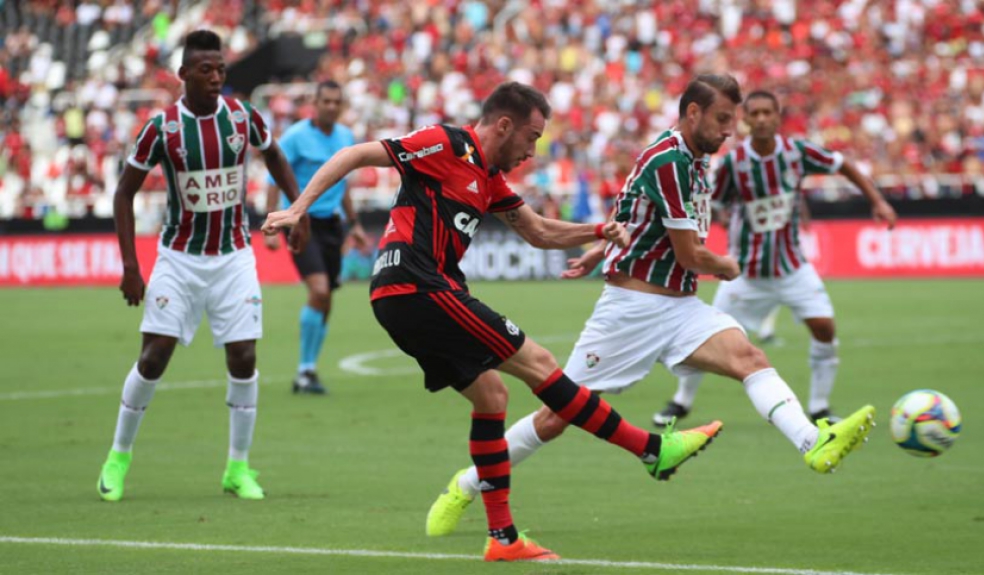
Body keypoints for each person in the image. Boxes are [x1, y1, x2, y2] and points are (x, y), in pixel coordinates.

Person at [263, 81, 723, 562]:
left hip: (415, 294)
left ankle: (503, 540)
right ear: (504, 125)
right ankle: (650, 450)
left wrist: (595, 230)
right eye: (532, 136)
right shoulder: (445, 144)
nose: (533, 149)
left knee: (492, 395)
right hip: (416, 286)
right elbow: (356, 155)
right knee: (540, 362)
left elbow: (540, 232)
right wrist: (298, 209)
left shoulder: (489, 178)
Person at [424, 75, 879, 540]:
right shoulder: (669, 160)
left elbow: (631, 211)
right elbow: (688, 254)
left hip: (680, 306)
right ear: (694, 113)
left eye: (733, 121)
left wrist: (602, 249)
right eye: (723, 119)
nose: (730, 130)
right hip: (632, 310)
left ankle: (812, 441)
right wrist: (723, 264)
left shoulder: (691, 159)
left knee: (750, 359)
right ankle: (464, 485)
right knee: (556, 417)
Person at [96, 30, 309, 503]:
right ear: (184, 74)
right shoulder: (162, 128)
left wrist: (297, 208)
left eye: (221, 70)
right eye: (206, 70)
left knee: (245, 357)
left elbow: (273, 152)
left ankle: (237, 468)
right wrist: (131, 266)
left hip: (234, 256)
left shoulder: (242, 117)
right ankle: (118, 456)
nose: (216, 78)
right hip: (179, 258)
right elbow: (123, 192)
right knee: (154, 357)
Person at [652, 90, 898, 427]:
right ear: (746, 120)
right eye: (756, 113)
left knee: (825, 328)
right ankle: (681, 401)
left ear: (778, 117)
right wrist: (720, 220)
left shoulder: (797, 152)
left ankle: (820, 407)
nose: (763, 119)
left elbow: (844, 166)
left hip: (792, 267)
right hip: (746, 273)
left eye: (769, 112)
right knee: (705, 339)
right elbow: (715, 203)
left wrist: (878, 201)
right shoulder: (734, 164)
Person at [264, 80, 368, 394]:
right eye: (327, 102)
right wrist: (271, 223)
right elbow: (273, 179)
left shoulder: (346, 137)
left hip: (332, 226)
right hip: (301, 225)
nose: (332, 107)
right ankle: (304, 371)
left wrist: (355, 224)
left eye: (338, 102)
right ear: (316, 103)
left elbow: (343, 186)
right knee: (320, 290)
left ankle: (309, 368)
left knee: (326, 298)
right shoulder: (296, 136)